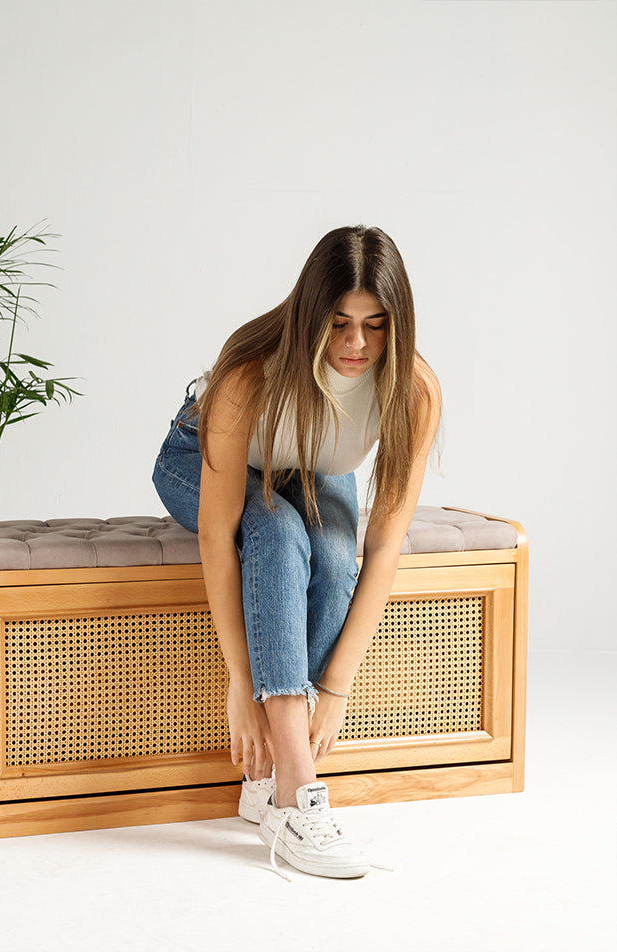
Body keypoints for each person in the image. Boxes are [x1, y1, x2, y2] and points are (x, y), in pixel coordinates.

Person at [152, 224, 441, 880]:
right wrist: (240, 682)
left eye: (376, 324)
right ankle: (298, 790)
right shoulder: (249, 377)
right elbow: (216, 536)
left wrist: (335, 688)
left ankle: (271, 779)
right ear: (313, 314)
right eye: (339, 323)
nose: (356, 344)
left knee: (337, 558)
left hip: (311, 461)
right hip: (201, 460)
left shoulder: (415, 391)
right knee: (278, 532)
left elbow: (384, 543)